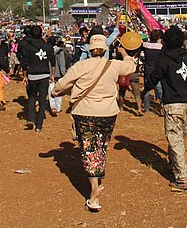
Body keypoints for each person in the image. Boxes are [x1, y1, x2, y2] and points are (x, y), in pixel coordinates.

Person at [52, 34, 136, 212]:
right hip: (108, 113)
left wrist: (56, 93)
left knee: (89, 149)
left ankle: (94, 191)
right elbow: (130, 67)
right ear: (105, 49)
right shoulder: (113, 65)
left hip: (84, 112)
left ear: (89, 49)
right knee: (101, 145)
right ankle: (97, 177)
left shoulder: (80, 66)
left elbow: (61, 85)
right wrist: (124, 53)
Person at [142, 26, 187, 192]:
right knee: (179, 137)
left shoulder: (164, 60)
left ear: (166, 41)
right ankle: (173, 163)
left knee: (175, 139)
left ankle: (182, 178)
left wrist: (144, 91)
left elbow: (153, 79)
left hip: (173, 105)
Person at [21, 26, 55, 132]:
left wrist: (25, 76)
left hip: (32, 75)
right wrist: (52, 75)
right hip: (44, 75)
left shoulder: (28, 47)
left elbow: (25, 63)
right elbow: (52, 62)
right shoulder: (48, 46)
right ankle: (39, 125)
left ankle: (31, 118)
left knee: (32, 97)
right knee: (42, 100)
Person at [142, 30, 163, 114]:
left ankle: (146, 108)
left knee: (146, 89)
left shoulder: (145, 45)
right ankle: (162, 107)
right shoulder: (160, 47)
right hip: (156, 70)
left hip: (147, 69)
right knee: (159, 89)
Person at [48, 37, 66, 117]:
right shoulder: (60, 51)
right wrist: (63, 73)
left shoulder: (46, 50)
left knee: (50, 90)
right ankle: (58, 107)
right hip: (58, 74)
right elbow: (61, 63)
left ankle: (53, 107)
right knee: (58, 90)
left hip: (49, 73)